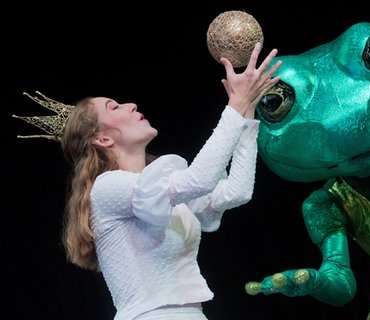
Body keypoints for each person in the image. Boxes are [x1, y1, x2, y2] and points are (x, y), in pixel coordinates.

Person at [16, 43, 282, 320]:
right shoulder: (107, 188)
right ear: (103, 139)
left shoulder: (159, 185)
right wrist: (234, 107)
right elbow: (200, 179)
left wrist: (247, 115)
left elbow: (236, 192)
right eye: (114, 106)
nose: (131, 104)